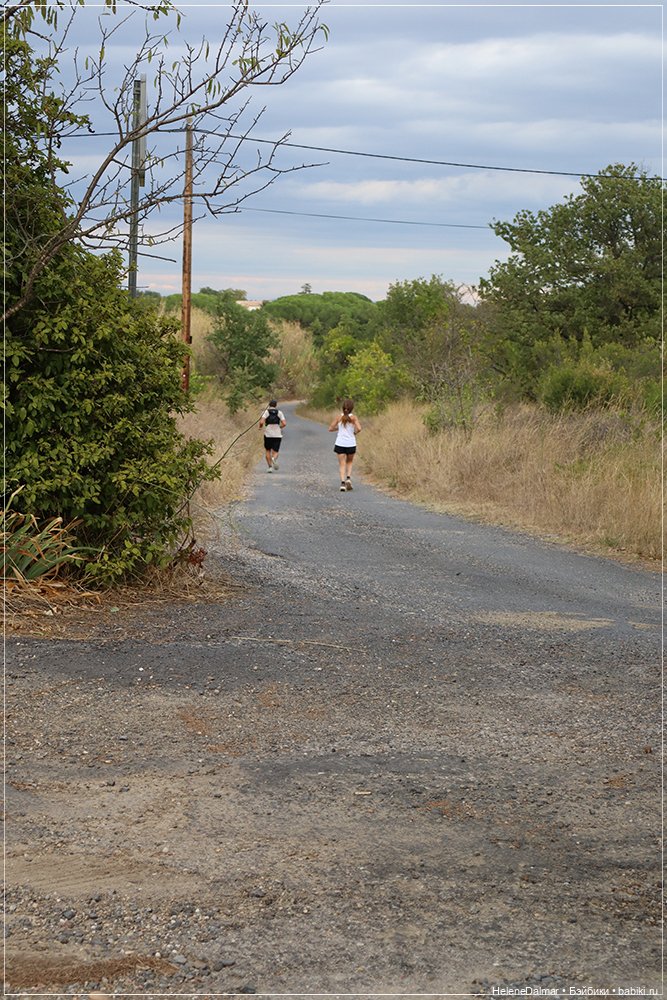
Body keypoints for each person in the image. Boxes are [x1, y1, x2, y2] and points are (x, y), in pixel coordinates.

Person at [328, 398, 362, 491]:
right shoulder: (353, 418)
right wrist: (354, 433)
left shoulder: (338, 417)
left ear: (343, 408)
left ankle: (342, 484)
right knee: (349, 462)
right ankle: (348, 478)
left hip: (340, 443)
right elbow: (359, 428)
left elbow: (330, 428)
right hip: (351, 443)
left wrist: (338, 429)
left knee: (342, 464)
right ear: (352, 408)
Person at [259, 399, 286, 472]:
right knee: (275, 451)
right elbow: (284, 423)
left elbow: (261, 422)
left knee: (268, 450)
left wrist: (260, 427)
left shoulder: (266, 412)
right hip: (277, 434)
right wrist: (279, 427)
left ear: (269, 405)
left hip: (268, 434)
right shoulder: (279, 412)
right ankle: (273, 458)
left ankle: (270, 467)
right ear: (276, 405)